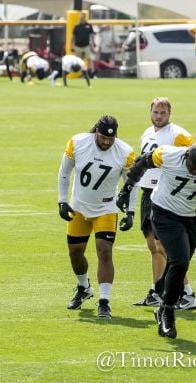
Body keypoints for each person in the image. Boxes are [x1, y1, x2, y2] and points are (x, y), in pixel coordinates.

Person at [117, 142, 196, 338]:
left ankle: (161, 293)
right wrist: (126, 189)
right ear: (185, 157)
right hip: (165, 212)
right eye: (192, 167)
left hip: (194, 217)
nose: (195, 172)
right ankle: (167, 310)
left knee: (179, 265)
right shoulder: (168, 154)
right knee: (180, 261)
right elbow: (141, 164)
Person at [57, 115, 137, 318]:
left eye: (111, 139)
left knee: (104, 251)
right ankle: (84, 287)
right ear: (96, 132)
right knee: (75, 253)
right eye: (103, 137)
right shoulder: (78, 142)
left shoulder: (125, 152)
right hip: (79, 207)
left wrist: (131, 211)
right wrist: (61, 200)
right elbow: (65, 172)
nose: (106, 142)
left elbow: (131, 184)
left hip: (106, 209)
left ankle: (104, 301)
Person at [132, 98, 196, 310]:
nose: (159, 116)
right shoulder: (147, 133)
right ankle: (156, 291)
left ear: (170, 113)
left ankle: (188, 294)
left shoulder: (179, 134)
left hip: (165, 195)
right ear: (150, 112)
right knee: (153, 246)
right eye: (155, 112)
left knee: (166, 247)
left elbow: (194, 161)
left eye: (162, 112)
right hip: (147, 192)